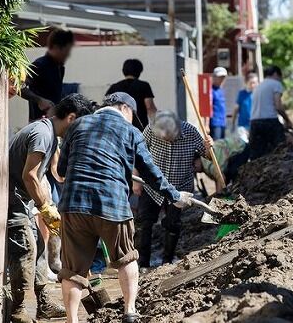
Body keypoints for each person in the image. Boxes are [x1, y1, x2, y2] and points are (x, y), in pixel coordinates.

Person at [57, 94, 192, 323]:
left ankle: (72, 320)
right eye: (132, 115)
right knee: (127, 258)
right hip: (112, 205)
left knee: (72, 270)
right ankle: (130, 312)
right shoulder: (131, 132)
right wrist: (175, 196)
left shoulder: (78, 124)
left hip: (74, 205)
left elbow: (61, 169)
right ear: (124, 108)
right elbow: (151, 173)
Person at [7, 94, 94, 323]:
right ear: (71, 118)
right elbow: (30, 176)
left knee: (39, 247)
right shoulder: (42, 134)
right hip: (14, 202)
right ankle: (19, 311)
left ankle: (44, 303)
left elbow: (41, 179)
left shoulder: (50, 135)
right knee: (24, 251)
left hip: (24, 202)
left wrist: (49, 211)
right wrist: (44, 207)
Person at [135, 111, 213, 269]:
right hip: (153, 186)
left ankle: (167, 262)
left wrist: (209, 148)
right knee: (145, 223)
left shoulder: (190, 132)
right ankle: (142, 263)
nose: (167, 141)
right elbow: (138, 154)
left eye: (170, 138)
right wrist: (135, 180)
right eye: (163, 139)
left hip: (180, 187)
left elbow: (209, 157)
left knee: (173, 224)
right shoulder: (150, 130)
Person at [21, 28, 75, 122]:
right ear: (56, 47)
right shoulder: (39, 65)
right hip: (38, 122)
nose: (67, 55)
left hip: (53, 121)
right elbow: (19, 86)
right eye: (66, 51)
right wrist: (39, 100)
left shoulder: (60, 68)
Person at [249, 66, 293, 160]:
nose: (280, 79)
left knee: (257, 156)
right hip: (269, 121)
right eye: (280, 77)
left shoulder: (258, 87)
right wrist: (288, 120)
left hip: (254, 123)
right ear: (276, 74)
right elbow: (278, 106)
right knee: (281, 151)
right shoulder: (276, 84)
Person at [106, 59, 157, 131]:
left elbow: (107, 107)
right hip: (140, 128)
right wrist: (156, 125)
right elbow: (149, 107)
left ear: (124, 71)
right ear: (139, 72)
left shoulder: (114, 87)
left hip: (119, 128)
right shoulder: (144, 86)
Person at [209, 67, 228, 140]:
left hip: (223, 122)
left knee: (222, 146)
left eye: (223, 77)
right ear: (214, 77)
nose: (222, 79)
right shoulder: (210, 90)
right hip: (215, 123)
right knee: (216, 146)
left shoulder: (221, 90)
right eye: (219, 77)